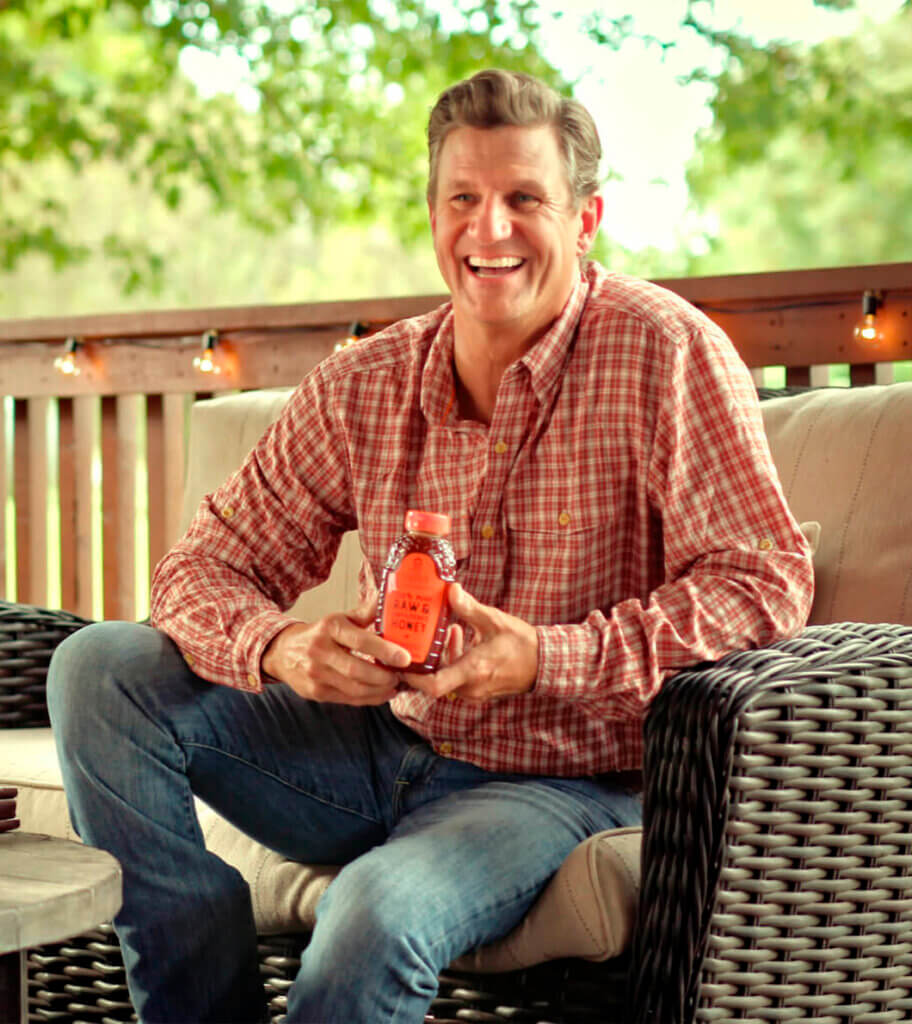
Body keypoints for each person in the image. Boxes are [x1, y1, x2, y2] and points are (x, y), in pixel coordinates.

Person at [47, 69, 814, 1023]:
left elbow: (763, 584)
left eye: (524, 198)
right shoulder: (367, 381)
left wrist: (546, 656)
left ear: (584, 220)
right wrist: (284, 648)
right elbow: (202, 569)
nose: (488, 231)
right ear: (434, 212)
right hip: (372, 744)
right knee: (98, 668)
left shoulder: (667, 352)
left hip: (559, 783)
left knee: (373, 911)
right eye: (465, 199)